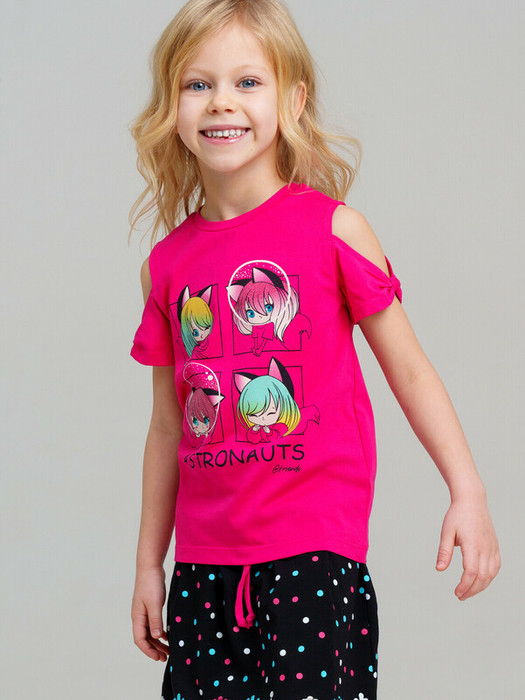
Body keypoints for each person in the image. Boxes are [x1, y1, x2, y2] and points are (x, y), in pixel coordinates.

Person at [128, 1, 501, 698]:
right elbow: (168, 426)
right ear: (171, 108)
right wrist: (151, 564)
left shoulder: (333, 230)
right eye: (198, 84)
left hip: (312, 555)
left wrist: (467, 491)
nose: (221, 102)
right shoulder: (166, 267)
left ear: (292, 100)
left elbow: (411, 372)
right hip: (203, 568)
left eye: (247, 81)